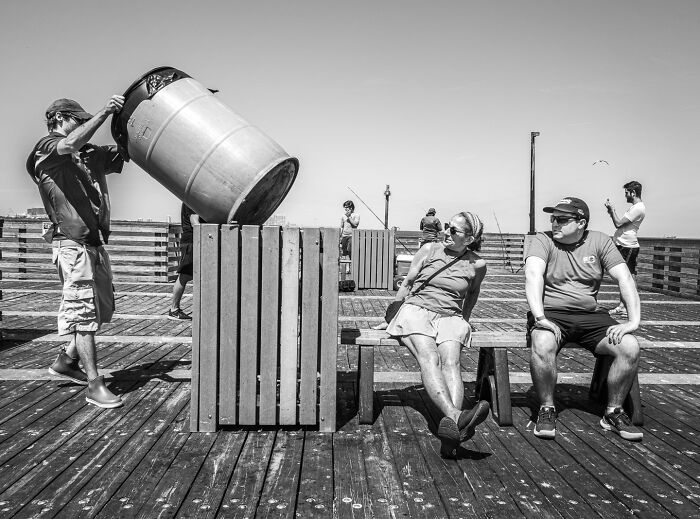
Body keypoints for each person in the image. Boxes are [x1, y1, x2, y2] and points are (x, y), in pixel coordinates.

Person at [26, 95, 126, 408]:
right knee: (83, 313)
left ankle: (66, 362)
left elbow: (127, 150)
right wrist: (106, 110)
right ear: (59, 117)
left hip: (94, 241)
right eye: (78, 120)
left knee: (101, 309)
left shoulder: (89, 153)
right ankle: (94, 384)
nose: (83, 125)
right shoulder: (47, 149)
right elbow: (68, 145)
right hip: (70, 242)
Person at [525, 196, 643, 441]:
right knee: (543, 343)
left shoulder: (600, 241)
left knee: (630, 346)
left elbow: (625, 278)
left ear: (581, 223)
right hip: (552, 314)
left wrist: (633, 321)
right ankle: (547, 408)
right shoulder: (543, 240)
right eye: (553, 218)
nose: (554, 223)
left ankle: (613, 412)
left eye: (562, 219)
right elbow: (533, 275)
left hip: (591, 316)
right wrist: (540, 317)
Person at [386, 212, 491, 458]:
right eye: (447, 226)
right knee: (429, 356)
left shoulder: (477, 264)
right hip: (416, 310)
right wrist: (389, 316)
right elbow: (409, 282)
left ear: (469, 239)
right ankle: (456, 416)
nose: (446, 232)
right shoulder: (429, 249)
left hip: (451, 316)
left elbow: (472, 294)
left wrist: (464, 319)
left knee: (451, 362)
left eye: (453, 231)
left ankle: (451, 434)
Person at [604, 181, 646, 315]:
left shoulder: (638, 208)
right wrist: (611, 212)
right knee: (630, 276)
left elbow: (618, 223)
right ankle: (628, 304)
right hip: (627, 245)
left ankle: (625, 306)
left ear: (633, 193)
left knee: (624, 277)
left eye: (627, 193)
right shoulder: (636, 207)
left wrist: (612, 210)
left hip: (627, 247)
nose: (625, 195)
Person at [168, 203, 202, 320]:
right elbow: (194, 221)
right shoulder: (192, 199)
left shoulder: (191, 198)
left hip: (192, 241)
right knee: (184, 276)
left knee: (189, 275)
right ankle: (174, 309)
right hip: (192, 242)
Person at [340, 200, 360, 270]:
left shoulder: (356, 215)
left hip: (352, 235)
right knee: (345, 252)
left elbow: (355, 224)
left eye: (347, 207)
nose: (345, 209)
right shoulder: (343, 216)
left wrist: (349, 217)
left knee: (351, 251)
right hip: (344, 236)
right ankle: (347, 268)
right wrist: (340, 236)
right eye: (345, 207)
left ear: (351, 207)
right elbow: (342, 226)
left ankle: (352, 266)